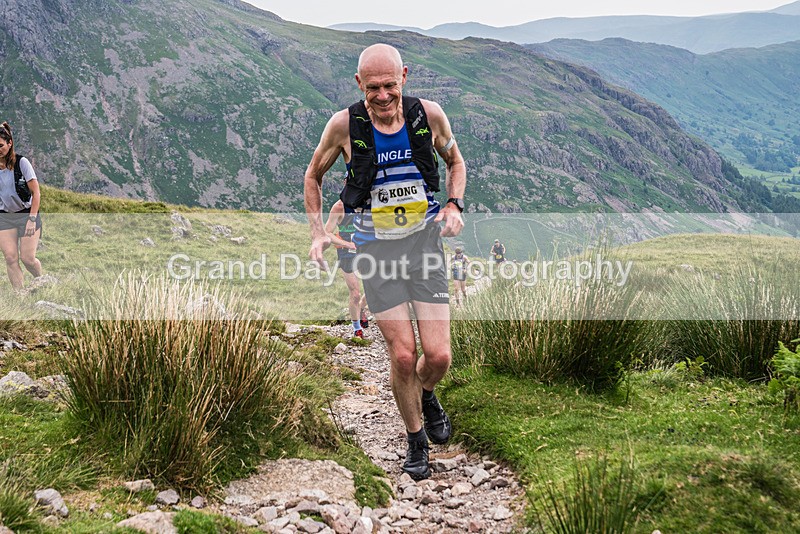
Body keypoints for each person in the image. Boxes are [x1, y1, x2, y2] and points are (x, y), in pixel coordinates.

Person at [304, 43, 466, 480]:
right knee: (402, 354)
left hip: (424, 246)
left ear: (404, 77)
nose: (382, 96)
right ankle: (416, 440)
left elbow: (455, 161)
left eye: (390, 86)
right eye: (372, 87)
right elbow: (313, 176)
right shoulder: (343, 126)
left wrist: (453, 205)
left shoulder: (428, 116)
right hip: (375, 253)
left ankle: (426, 393)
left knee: (438, 356)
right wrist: (319, 232)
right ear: (359, 84)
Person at [0, 122, 42, 291]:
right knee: (10, 258)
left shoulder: (21, 163)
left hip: (26, 214)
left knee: (28, 259)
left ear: (9, 143)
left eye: (0, 145)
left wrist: (32, 219)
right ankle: (20, 295)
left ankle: (42, 281)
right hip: (4, 216)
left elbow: (36, 193)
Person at [325, 198, 369, 338]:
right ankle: (357, 329)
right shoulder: (339, 206)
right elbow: (328, 233)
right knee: (355, 293)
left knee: (373, 288)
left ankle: (361, 308)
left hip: (366, 250)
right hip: (347, 253)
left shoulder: (368, 200)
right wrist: (347, 244)